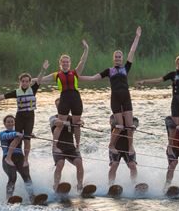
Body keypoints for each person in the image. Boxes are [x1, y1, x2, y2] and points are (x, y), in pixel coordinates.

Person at [80, 26, 142, 155]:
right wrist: (78, 77)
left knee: (130, 126)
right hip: (115, 99)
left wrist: (137, 37)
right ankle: (111, 145)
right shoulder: (109, 71)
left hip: (126, 98)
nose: (118, 58)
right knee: (119, 126)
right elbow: (93, 78)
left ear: (122, 58)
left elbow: (132, 51)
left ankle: (131, 147)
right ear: (113, 58)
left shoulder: (126, 68)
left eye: (120, 57)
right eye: (116, 57)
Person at [137, 45, 179, 156]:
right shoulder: (172, 74)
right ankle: (170, 147)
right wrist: (144, 81)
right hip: (176, 101)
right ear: (176, 65)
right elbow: (159, 80)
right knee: (174, 126)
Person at [0, 60, 48, 163]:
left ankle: (25, 160)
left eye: (26, 81)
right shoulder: (16, 92)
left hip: (30, 117)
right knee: (17, 137)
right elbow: (3, 96)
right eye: (22, 81)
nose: (24, 83)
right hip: (20, 117)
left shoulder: (33, 89)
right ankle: (8, 157)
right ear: (20, 82)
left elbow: (39, 79)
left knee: (27, 139)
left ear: (29, 82)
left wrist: (43, 69)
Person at [35, 40, 89, 149]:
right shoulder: (56, 75)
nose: (65, 63)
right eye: (63, 62)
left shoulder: (75, 73)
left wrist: (86, 49)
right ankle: (54, 146)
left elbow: (82, 61)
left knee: (77, 125)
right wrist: (29, 80)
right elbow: (40, 80)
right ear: (60, 64)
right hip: (64, 98)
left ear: (70, 63)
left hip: (76, 99)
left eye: (67, 62)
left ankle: (77, 147)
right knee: (60, 123)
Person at [50, 99, 84, 193]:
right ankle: (56, 186)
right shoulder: (53, 118)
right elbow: (57, 123)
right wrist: (65, 122)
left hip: (70, 148)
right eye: (58, 106)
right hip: (58, 147)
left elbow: (80, 121)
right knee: (60, 163)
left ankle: (80, 186)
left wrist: (80, 122)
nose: (60, 108)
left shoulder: (72, 118)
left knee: (79, 163)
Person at [0, 115, 35, 201]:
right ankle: (8, 198)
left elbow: (26, 139)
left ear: (15, 123)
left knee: (26, 176)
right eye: (8, 122)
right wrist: (17, 133)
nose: (10, 123)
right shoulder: (2, 134)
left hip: (20, 157)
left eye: (12, 121)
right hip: (8, 158)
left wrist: (28, 135)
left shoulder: (20, 133)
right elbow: (7, 136)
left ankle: (32, 197)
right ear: (4, 124)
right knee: (13, 177)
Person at [108, 115, 139, 185]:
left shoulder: (133, 119)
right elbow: (112, 122)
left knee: (132, 165)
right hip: (115, 147)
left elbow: (135, 124)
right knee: (114, 164)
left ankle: (134, 184)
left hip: (128, 147)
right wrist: (122, 124)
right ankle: (110, 184)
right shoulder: (114, 117)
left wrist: (131, 125)